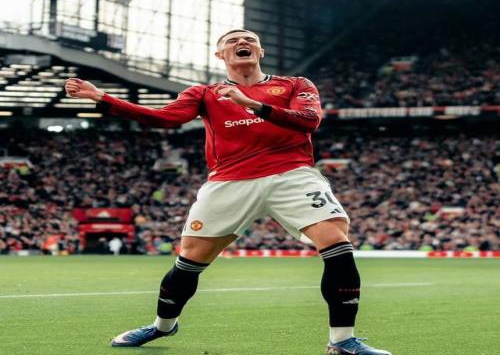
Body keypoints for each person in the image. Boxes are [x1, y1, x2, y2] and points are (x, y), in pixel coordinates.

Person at [65, 29, 391, 355]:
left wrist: (253, 105)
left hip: (292, 174)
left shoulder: (296, 84)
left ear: (260, 51)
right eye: (232, 41)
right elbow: (165, 119)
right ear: (220, 55)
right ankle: (162, 326)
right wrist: (103, 98)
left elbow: (309, 120)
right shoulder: (204, 93)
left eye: (249, 39)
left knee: (335, 240)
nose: (241, 42)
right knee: (190, 259)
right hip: (229, 181)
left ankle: (341, 340)